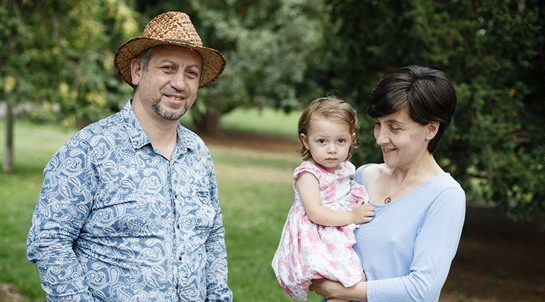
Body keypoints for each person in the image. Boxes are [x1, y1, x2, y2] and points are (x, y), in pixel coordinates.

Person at [26, 11, 233, 301]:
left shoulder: (198, 153)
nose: (180, 83)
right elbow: (49, 242)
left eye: (191, 73)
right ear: (137, 72)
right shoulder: (89, 149)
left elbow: (212, 238)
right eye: (167, 68)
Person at [310, 65, 466, 301]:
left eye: (394, 127)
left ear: (431, 129)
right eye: (377, 124)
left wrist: (339, 290)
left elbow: (422, 291)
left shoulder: (446, 196)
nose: (380, 138)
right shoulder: (363, 176)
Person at [272, 97, 375, 302]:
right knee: (348, 282)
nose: (332, 149)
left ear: (352, 139)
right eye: (322, 141)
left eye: (341, 141)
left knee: (352, 283)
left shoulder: (345, 169)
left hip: (335, 234)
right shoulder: (308, 174)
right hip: (317, 238)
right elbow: (315, 213)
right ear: (305, 140)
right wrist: (352, 216)